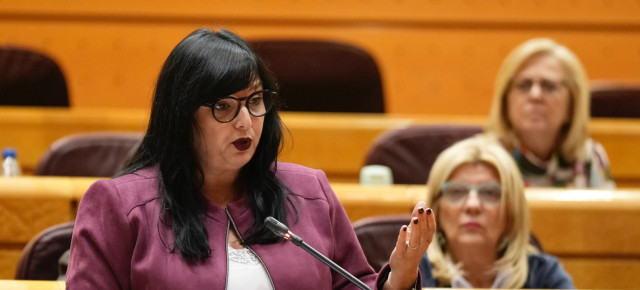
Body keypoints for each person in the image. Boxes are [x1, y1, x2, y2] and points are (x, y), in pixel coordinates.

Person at [66, 28, 436, 290]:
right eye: (224, 106)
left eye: (255, 102)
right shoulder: (119, 207)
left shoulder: (310, 193)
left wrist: (398, 280)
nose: (246, 122)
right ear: (181, 116)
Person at [418, 136, 574, 288]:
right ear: (436, 209)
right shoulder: (414, 275)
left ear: (512, 209)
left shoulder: (543, 276)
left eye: (489, 193)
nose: (473, 205)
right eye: (457, 191)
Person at [486, 38, 614, 188]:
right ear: (505, 100)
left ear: (573, 103)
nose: (535, 95)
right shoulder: (483, 159)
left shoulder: (589, 158)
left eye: (549, 86)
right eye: (524, 85)